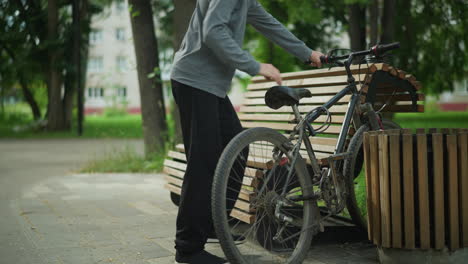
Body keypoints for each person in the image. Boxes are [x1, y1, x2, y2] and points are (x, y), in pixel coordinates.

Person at [170, 0, 323, 263]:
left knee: (237, 150)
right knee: (203, 162)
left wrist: (307, 53)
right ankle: (188, 247)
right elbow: (213, 30)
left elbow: (269, 24)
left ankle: (211, 224)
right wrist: (255, 66)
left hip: (210, 87)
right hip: (195, 82)